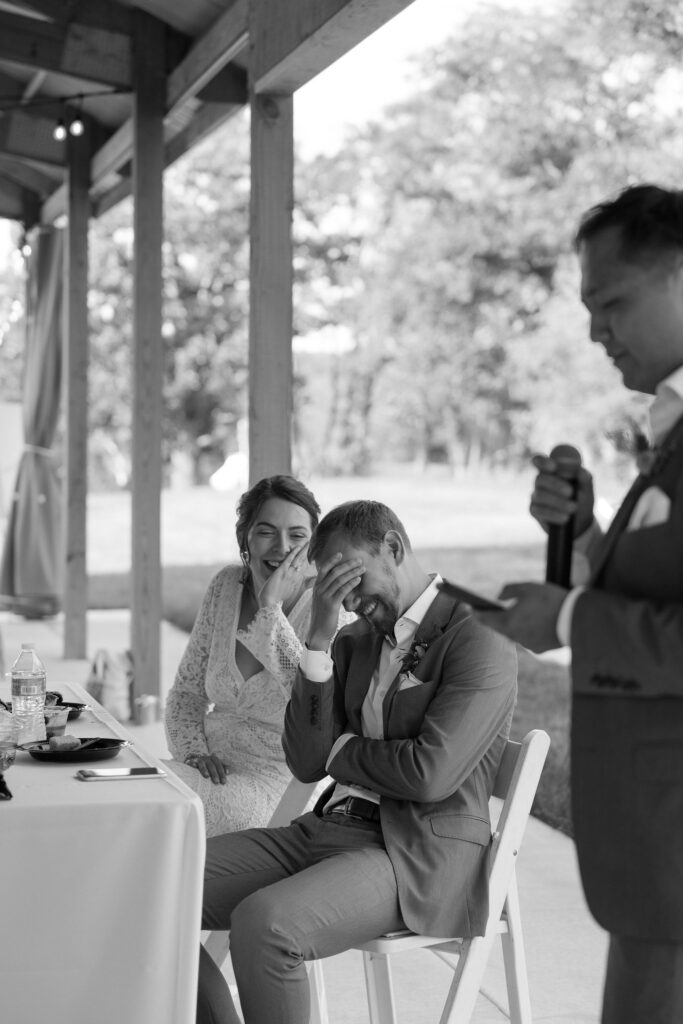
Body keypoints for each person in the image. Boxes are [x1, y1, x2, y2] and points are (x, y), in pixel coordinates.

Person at [478, 184, 683, 1024]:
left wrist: (564, 619)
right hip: (647, 859)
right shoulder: (667, 434)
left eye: (611, 303)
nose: (595, 331)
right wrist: (588, 530)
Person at [197, 499, 517, 1024]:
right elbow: (305, 761)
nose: (349, 599)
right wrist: (318, 639)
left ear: (392, 547)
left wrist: (342, 751)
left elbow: (428, 773)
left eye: (353, 577)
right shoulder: (353, 639)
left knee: (265, 924)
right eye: (334, 586)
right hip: (325, 830)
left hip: (413, 851)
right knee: (161, 883)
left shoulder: (479, 634)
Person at [164, 475, 353, 838]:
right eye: (266, 532)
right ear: (245, 540)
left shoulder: (332, 608)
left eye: (297, 536)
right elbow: (186, 695)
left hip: (280, 789)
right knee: (133, 790)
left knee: (156, 810)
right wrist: (191, 752)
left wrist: (271, 609)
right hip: (207, 769)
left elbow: (313, 704)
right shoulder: (226, 586)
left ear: (313, 546)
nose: (281, 547)